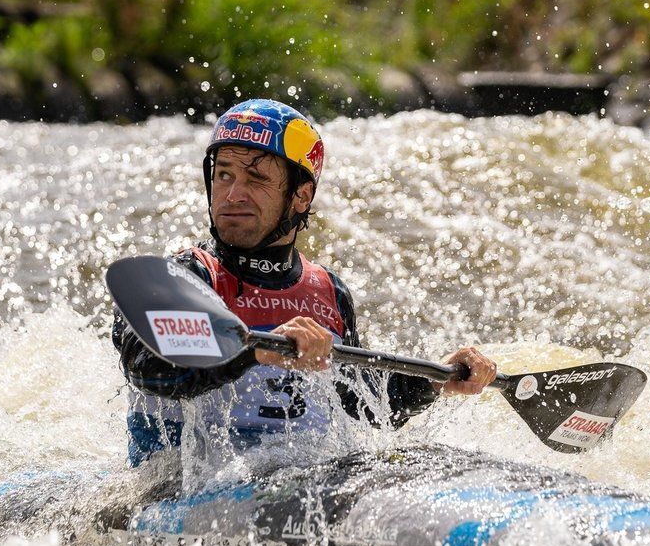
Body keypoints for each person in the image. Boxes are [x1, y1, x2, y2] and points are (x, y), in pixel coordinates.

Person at [112, 99, 496, 470]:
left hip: (291, 485)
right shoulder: (181, 277)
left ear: (301, 195)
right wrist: (255, 352)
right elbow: (148, 369)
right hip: (173, 489)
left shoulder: (328, 292)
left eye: (256, 178)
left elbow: (359, 399)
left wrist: (435, 381)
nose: (232, 194)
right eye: (224, 174)